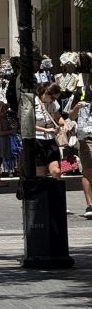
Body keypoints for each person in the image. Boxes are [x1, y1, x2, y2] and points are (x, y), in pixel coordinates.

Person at [67, 85, 92, 217]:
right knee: (88, 171)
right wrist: (77, 107)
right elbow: (71, 116)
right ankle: (90, 205)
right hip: (86, 137)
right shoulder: (81, 92)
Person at [34, 81, 66, 180]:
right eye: (52, 98)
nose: (53, 100)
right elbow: (29, 125)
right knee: (41, 174)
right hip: (38, 140)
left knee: (56, 171)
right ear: (46, 93)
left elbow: (58, 116)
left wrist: (64, 124)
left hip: (51, 140)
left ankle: (56, 188)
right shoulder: (32, 103)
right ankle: (43, 190)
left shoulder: (53, 103)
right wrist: (45, 130)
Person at [0, 99, 21, 184]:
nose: (5, 111)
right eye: (2, 110)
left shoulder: (5, 118)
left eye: (5, 109)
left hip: (5, 140)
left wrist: (12, 127)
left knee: (0, 158)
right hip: (0, 140)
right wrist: (11, 131)